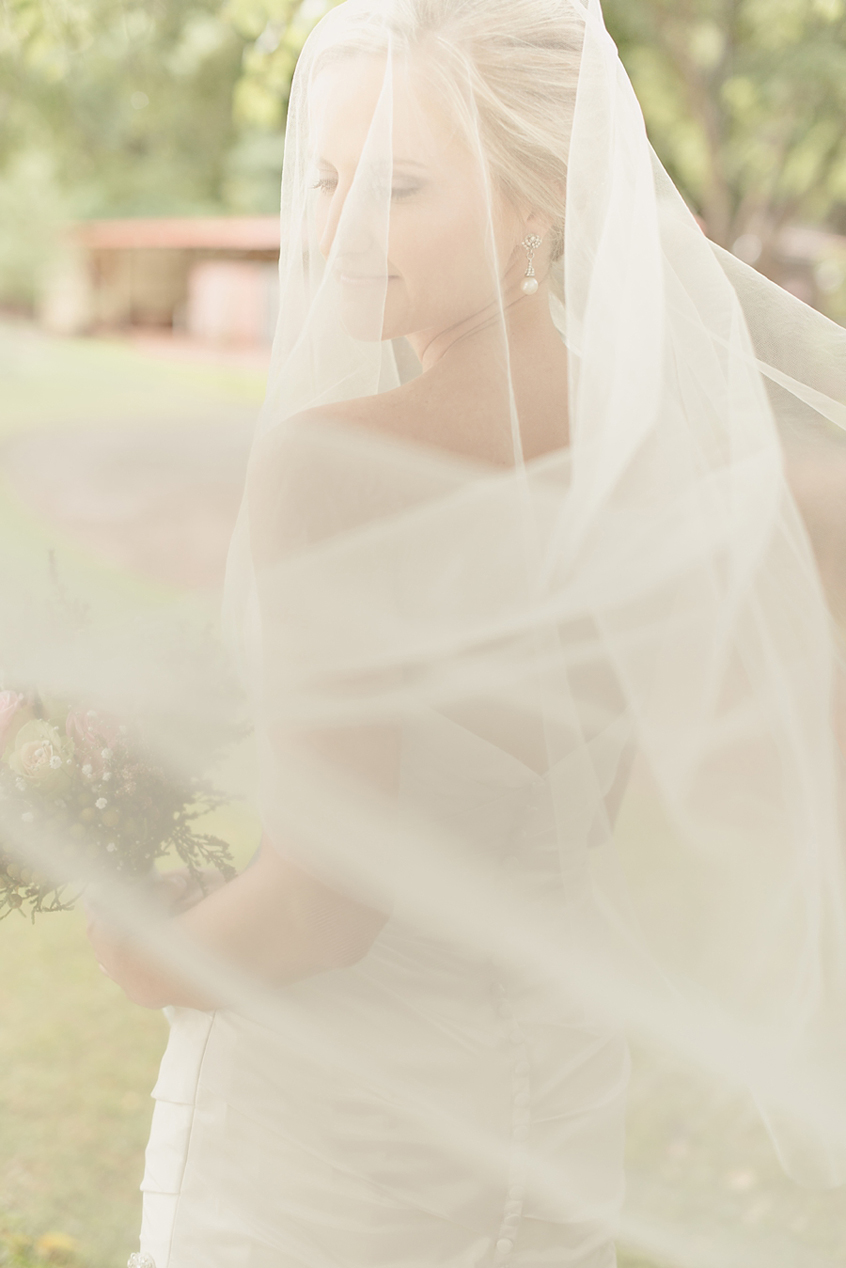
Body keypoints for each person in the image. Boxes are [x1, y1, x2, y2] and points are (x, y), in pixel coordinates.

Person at [86, 2, 846, 1266]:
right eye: (325, 179)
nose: (340, 229)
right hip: (554, 1092)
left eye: (398, 187)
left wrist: (144, 948)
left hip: (334, 1128)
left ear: (537, 200)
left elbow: (327, 905)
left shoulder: (332, 465)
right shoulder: (660, 445)